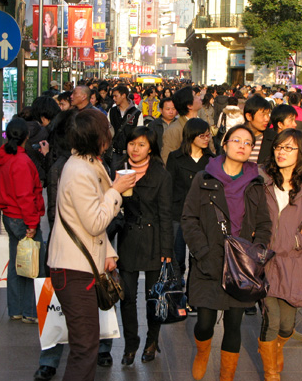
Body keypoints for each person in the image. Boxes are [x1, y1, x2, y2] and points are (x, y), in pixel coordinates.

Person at [47, 109, 136, 381]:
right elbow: (96, 222)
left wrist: (108, 253)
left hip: (83, 265)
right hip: (73, 270)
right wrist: (116, 191)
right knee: (85, 347)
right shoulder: (79, 171)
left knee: (86, 344)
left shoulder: (89, 163)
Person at [182, 124, 272, 381]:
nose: (242, 146)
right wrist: (202, 251)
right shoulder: (204, 178)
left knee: (234, 324)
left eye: (248, 143)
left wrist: (257, 253)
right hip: (209, 261)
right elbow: (189, 218)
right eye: (237, 140)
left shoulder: (256, 183)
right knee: (204, 323)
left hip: (242, 266)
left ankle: (226, 376)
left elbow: (265, 224)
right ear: (224, 143)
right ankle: (202, 353)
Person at [259, 129, 302, 380]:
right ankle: (270, 371)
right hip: (264, 260)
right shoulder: (261, 177)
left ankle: (277, 348)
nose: (281, 152)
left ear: (300, 153)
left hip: (293, 262)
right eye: (278, 147)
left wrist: (300, 238)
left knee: (287, 325)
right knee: (271, 319)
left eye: (288, 148)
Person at [116, 127, 173, 366]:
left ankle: (152, 340)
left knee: (154, 297)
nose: (135, 149)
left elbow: (165, 215)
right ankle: (131, 344)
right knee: (127, 296)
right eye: (132, 144)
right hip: (128, 238)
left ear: (151, 147)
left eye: (141, 144)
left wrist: (166, 251)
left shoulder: (160, 174)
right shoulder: (118, 169)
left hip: (153, 240)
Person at [0, 118, 45, 324]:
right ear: (26, 136)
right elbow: (25, 196)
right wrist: (32, 224)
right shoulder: (22, 162)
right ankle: (31, 311)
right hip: (22, 217)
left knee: (17, 263)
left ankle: (15, 309)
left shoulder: (2, 156)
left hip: (9, 215)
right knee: (34, 265)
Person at [165, 119, 215, 299]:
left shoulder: (212, 161)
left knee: (199, 257)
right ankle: (177, 294)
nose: (206, 138)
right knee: (177, 257)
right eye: (202, 135)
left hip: (202, 216)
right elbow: (168, 188)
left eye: (208, 134)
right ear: (191, 136)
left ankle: (194, 296)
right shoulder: (175, 157)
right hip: (178, 213)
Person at [161, 86, 204, 163]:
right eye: (195, 96)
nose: (199, 97)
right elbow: (167, 159)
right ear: (189, 106)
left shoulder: (203, 124)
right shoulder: (173, 130)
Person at [109, 85, 143, 171]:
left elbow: (139, 134)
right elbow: (107, 131)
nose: (114, 98)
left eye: (116, 96)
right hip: (115, 153)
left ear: (123, 95)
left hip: (131, 155)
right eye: (113, 96)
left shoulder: (137, 113)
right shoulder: (112, 111)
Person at [243, 94, 273, 164]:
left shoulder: (273, 138)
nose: (267, 119)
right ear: (249, 116)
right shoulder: (234, 136)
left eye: (268, 114)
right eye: (263, 115)